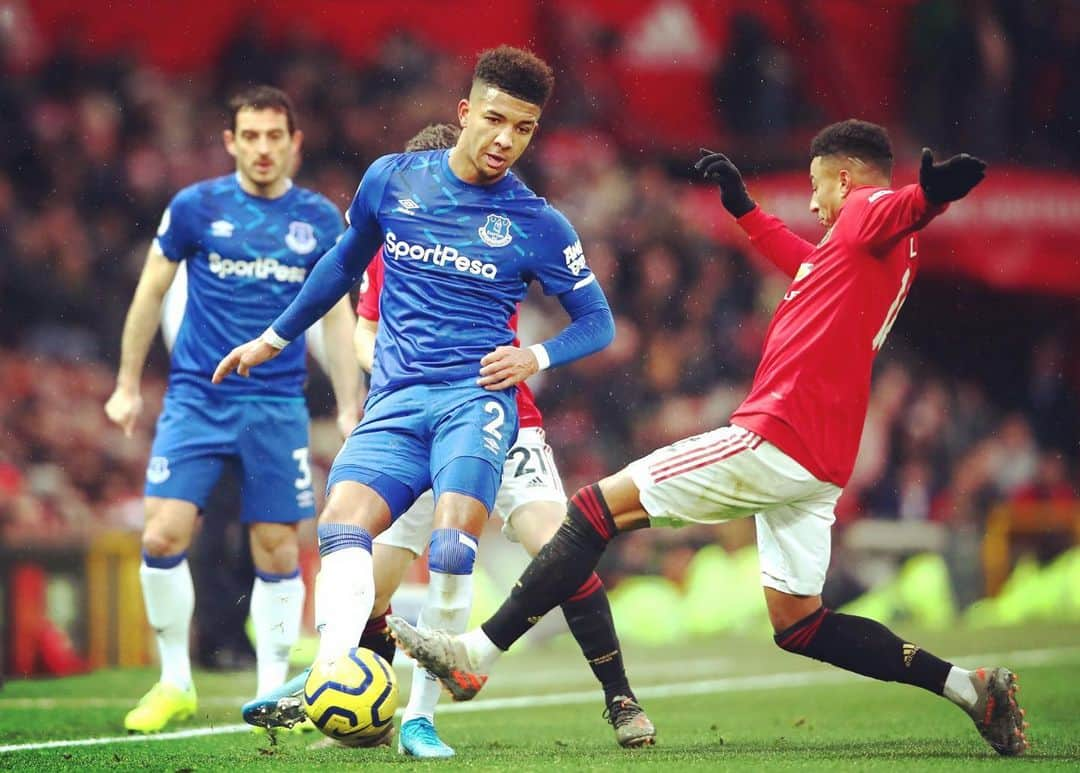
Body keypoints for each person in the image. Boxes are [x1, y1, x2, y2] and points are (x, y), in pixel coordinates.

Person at [389, 120, 1030, 757]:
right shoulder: (858, 256)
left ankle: (477, 653)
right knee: (801, 622)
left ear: (843, 178)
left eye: (816, 189)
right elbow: (805, 262)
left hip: (776, 437)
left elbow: (894, 208)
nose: (812, 205)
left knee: (593, 508)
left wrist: (932, 196)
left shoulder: (867, 211)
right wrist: (748, 213)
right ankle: (971, 689)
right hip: (821, 461)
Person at [215, 47, 617, 748]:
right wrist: (273, 339)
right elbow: (340, 264)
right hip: (397, 403)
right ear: (465, 112)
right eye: (494, 119)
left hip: (475, 405)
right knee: (342, 524)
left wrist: (536, 354)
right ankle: (333, 675)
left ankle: (421, 715)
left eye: (522, 129)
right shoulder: (392, 182)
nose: (504, 140)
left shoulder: (536, 220)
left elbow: (598, 320)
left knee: (456, 542)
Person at [349, 121, 652, 758]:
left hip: (499, 418)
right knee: (369, 586)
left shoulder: (509, 225)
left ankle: (619, 696)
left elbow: (596, 321)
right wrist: (390, 385)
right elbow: (364, 328)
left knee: (560, 548)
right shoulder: (389, 244)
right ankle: (355, 692)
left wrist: (534, 357)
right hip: (414, 425)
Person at [105, 85, 360, 733]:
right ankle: (174, 680)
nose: (263, 148)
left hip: (276, 402)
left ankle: (273, 692)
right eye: (250, 136)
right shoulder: (196, 207)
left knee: (275, 547)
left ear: (294, 141)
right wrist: (128, 383)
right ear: (231, 142)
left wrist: (352, 403)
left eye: (275, 135)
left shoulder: (319, 220)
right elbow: (149, 291)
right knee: (162, 532)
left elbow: (336, 316)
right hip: (197, 395)